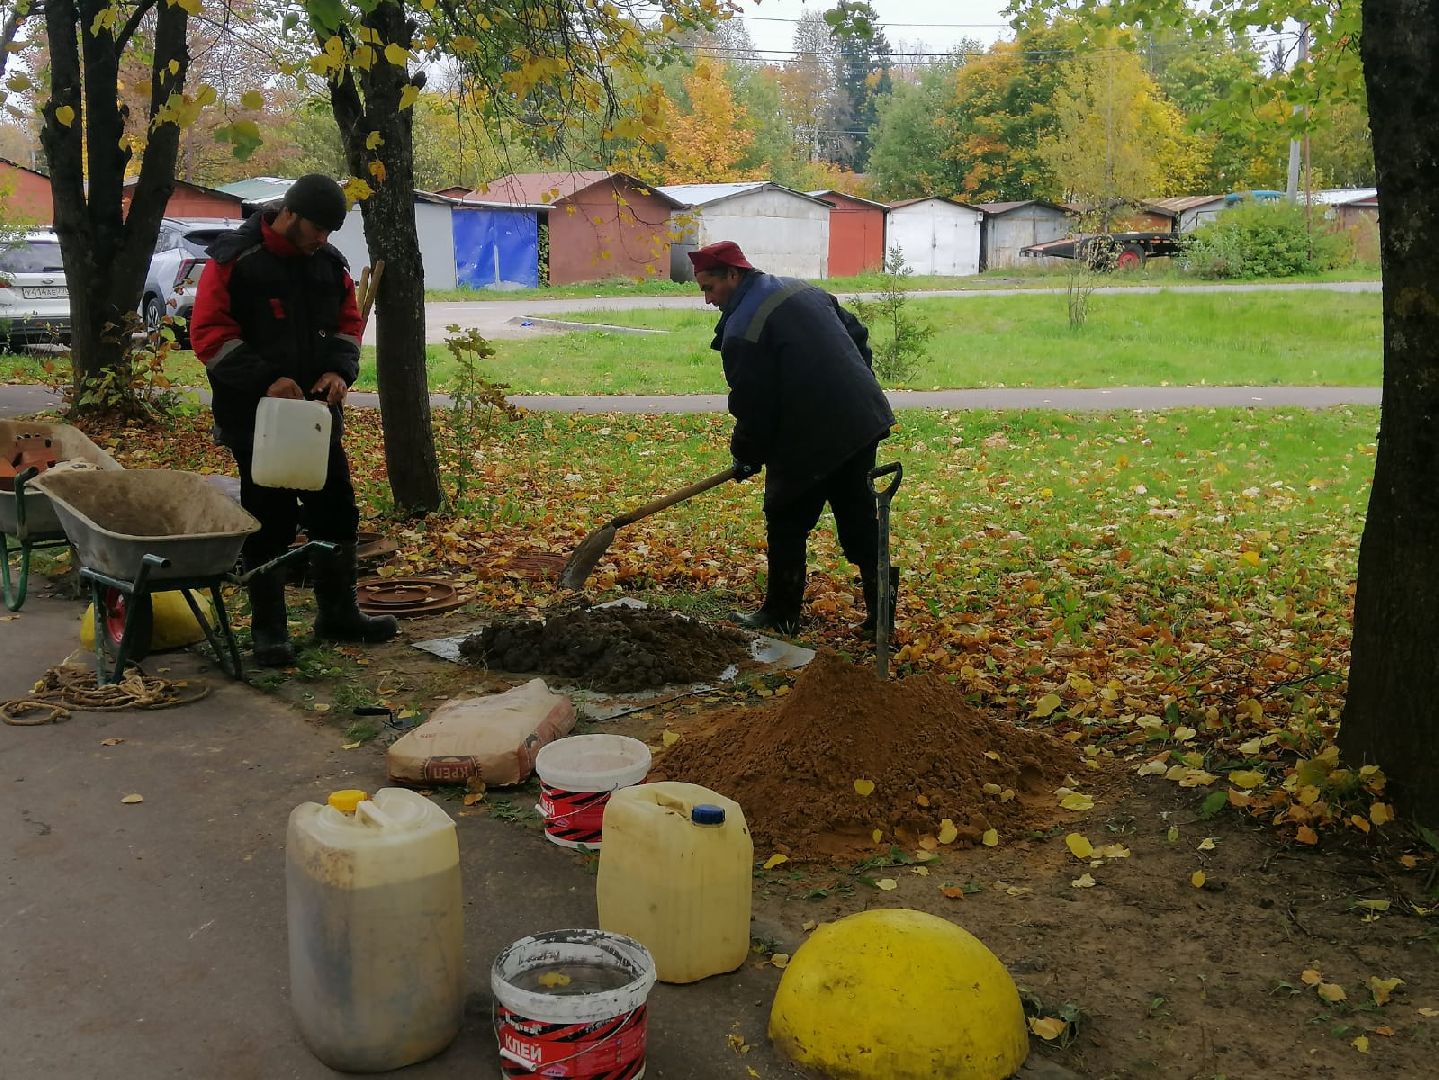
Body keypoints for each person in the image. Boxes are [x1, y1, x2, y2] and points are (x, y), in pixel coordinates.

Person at [189, 173, 396, 667]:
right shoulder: (235, 260)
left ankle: (338, 615)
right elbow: (209, 335)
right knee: (270, 521)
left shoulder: (328, 265)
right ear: (289, 215)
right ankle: (269, 631)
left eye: (330, 231)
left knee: (338, 511)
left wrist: (338, 372)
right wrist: (267, 379)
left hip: (317, 416)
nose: (323, 239)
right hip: (255, 417)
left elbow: (349, 326)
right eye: (317, 228)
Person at [689, 239, 897, 637]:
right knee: (859, 524)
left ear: (733, 275)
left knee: (786, 519)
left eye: (709, 288)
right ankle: (881, 621)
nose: (707, 300)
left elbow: (753, 406)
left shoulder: (743, 330)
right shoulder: (802, 289)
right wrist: (852, 388)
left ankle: (780, 616)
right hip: (861, 421)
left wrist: (746, 454)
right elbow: (857, 334)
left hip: (814, 436)